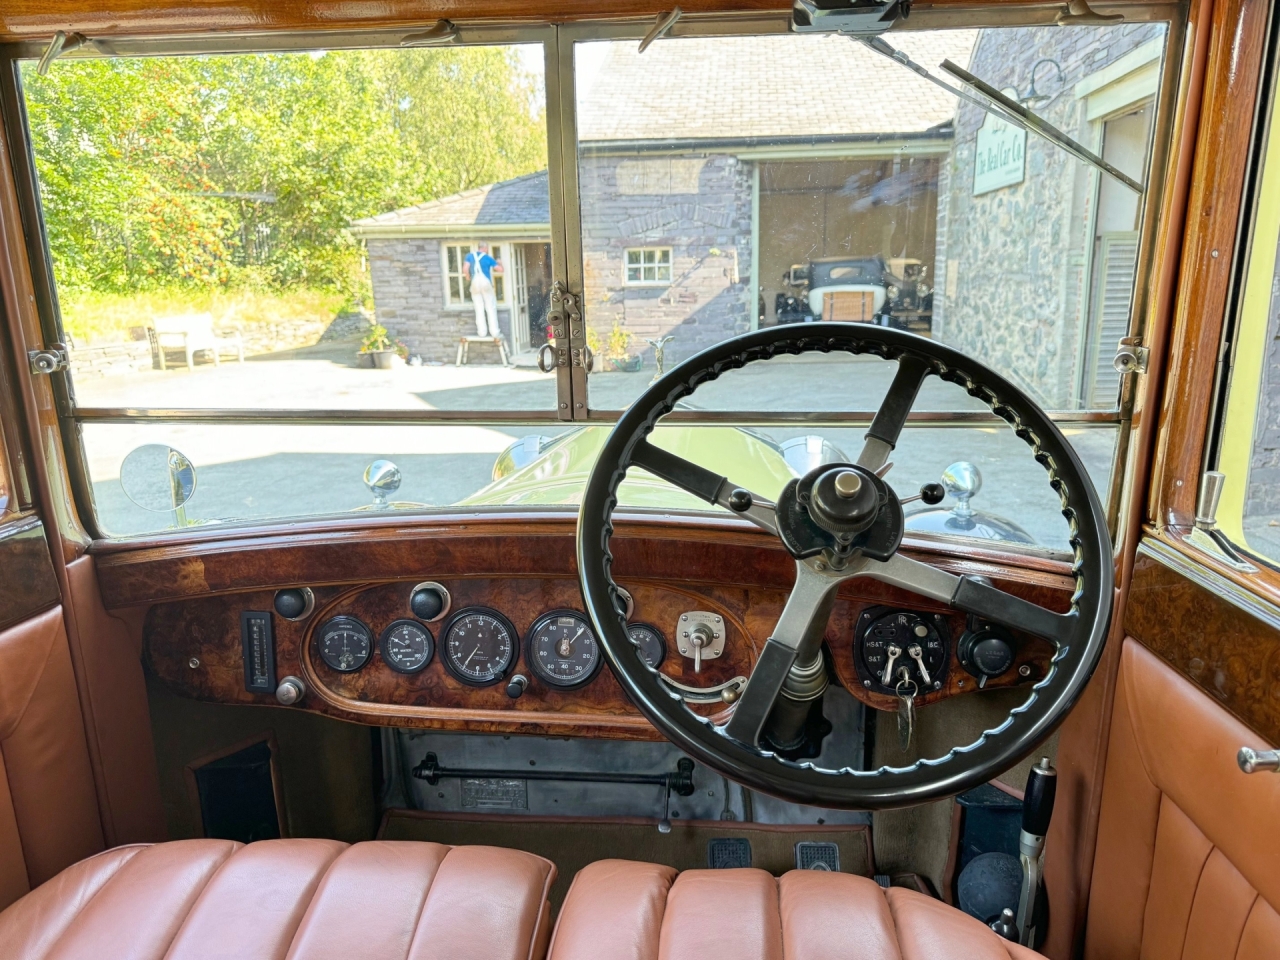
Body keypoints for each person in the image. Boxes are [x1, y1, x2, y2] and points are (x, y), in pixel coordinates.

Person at [462, 243, 504, 343]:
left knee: (478, 307)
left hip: (475, 282)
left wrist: (467, 277)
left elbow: (465, 268)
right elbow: (500, 270)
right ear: (485, 248)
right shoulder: (488, 258)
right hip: (485, 282)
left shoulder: (470, 256)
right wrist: (500, 263)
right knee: (490, 306)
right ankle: (494, 331)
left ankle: (482, 332)